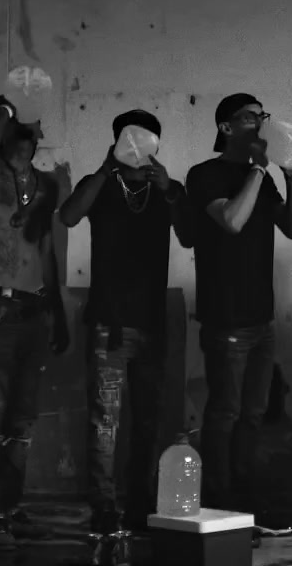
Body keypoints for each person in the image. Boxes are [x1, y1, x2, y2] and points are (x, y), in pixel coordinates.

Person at [58, 110, 193, 536]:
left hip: (152, 323)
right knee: (105, 423)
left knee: (148, 422)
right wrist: (105, 169)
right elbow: (68, 216)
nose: (138, 149)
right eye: (131, 141)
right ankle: (103, 506)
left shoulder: (168, 189)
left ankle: (139, 504)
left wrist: (169, 189)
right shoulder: (100, 184)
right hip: (110, 323)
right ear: (117, 141)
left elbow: (189, 236)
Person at [187, 93, 292, 536]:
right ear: (226, 127)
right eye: (250, 117)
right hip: (226, 318)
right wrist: (258, 168)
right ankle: (220, 502)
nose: (261, 124)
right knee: (226, 412)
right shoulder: (205, 174)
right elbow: (232, 220)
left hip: (261, 317)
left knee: (253, 414)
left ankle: (246, 498)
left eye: (263, 116)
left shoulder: (264, 178)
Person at [0, 95, 68, 549]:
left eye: (33, 117)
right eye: (20, 117)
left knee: (22, 421)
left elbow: (46, 248)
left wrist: (58, 310)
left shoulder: (47, 185)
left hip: (34, 308)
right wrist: (4, 111)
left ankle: (9, 508)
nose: (29, 125)